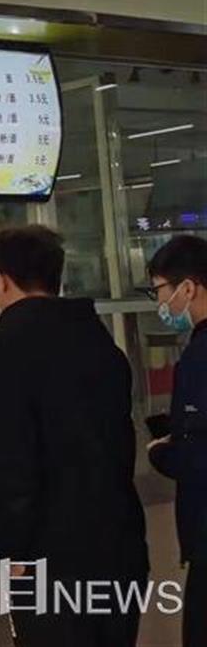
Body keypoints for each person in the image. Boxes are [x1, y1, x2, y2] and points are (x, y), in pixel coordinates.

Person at [0, 226, 148, 647]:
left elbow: (12, 463)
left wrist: (12, 549)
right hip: (119, 550)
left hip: (51, 561)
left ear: (0, 280)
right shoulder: (100, 342)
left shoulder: (4, 347)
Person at [145, 235, 207, 647]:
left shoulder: (201, 355)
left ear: (188, 287)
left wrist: (164, 453)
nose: (160, 303)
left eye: (159, 290)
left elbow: (199, 455)